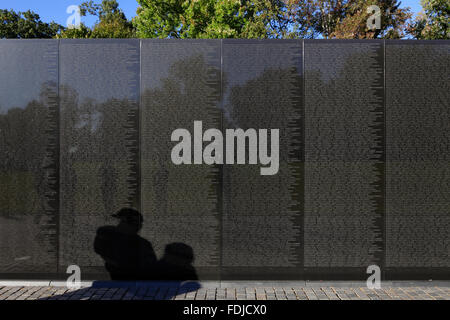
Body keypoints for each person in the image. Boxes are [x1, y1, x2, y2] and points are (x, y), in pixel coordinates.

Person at [94, 208, 157, 280]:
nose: (119, 225)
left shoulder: (142, 245)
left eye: (122, 222)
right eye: (120, 221)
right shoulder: (109, 235)